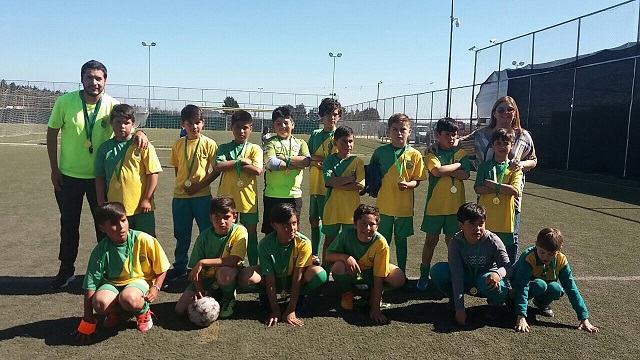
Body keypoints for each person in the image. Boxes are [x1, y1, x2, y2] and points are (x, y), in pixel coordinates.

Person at [47, 60, 148, 289]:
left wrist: (141, 132)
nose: (94, 82)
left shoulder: (112, 104)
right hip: (68, 177)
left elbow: (127, 122)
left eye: (98, 78)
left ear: (105, 81)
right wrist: (54, 168)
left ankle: (108, 270)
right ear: (81, 79)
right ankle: (66, 270)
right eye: (89, 77)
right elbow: (52, 133)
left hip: (101, 179)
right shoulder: (65, 101)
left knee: (105, 226)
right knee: (69, 224)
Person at [72, 202, 169, 342]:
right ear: (102, 228)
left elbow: (162, 268)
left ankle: (143, 311)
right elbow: (90, 285)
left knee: (129, 299)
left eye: (123, 220)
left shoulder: (143, 239)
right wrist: (87, 320)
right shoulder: (100, 250)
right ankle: (116, 313)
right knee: (99, 303)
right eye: (114, 224)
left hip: (139, 282)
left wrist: (156, 287)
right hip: (112, 284)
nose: (121, 227)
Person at [238, 203, 327, 327]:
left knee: (320, 274)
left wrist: (291, 309)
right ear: (275, 225)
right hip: (274, 279)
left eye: (294, 223)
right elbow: (268, 276)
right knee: (244, 277)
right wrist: (275, 310)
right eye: (286, 225)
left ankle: (299, 297)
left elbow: (298, 276)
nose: (292, 229)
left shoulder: (304, 243)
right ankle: (265, 296)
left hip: (293, 280)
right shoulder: (265, 245)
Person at [471, 96, 537, 262]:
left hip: (512, 198)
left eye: (510, 109)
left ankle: (508, 275)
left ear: (515, 113)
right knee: (484, 235)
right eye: (501, 109)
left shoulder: (524, 136)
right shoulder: (480, 135)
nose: (505, 113)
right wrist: (434, 146)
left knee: (511, 237)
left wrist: (520, 164)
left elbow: (534, 160)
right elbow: (456, 143)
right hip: (486, 197)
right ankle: (485, 273)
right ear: (494, 113)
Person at [430, 203, 512, 326]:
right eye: (472, 224)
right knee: (438, 271)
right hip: (466, 279)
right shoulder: (456, 242)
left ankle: (495, 306)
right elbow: (456, 275)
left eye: (481, 224)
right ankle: (453, 299)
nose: (477, 228)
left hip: (485, 279)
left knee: (497, 282)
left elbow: (508, 267)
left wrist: (498, 274)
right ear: (461, 225)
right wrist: (460, 309)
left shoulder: (494, 240)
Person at [369, 113, 426, 286]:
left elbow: (418, 179)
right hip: (384, 207)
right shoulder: (380, 152)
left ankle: (401, 275)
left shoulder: (415, 155)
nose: (399, 133)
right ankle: (379, 274)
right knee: (382, 241)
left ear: (410, 131)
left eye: (403, 130)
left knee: (401, 242)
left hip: (404, 208)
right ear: (388, 131)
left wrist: (409, 185)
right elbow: (372, 173)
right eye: (395, 130)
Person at [325, 204, 405, 324]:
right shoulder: (346, 235)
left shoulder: (381, 243)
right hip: (352, 272)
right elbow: (328, 256)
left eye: (372, 224)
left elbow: (378, 276)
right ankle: (347, 292)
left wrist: (375, 309)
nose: (367, 228)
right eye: (363, 223)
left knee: (398, 277)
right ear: (355, 224)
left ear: (377, 226)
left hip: (371, 274)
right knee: (338, 266)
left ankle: (375, 293)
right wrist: (346, 257)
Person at [166, 104, 219, 282]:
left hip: (202, 196)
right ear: (183, 124)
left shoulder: (209, 144)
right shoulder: (178, 144)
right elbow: (177, 169)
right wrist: (183, 186)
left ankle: (209, 267)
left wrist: (199, 186)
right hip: (181, 197)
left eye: (197, 122)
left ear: (203, 123)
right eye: (190, 123)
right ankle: (180, 267)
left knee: (207, 232)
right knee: (181, 234)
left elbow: (216, 170)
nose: (194, 127)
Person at [417, 118, 470, 291]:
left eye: (454, 134)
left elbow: (466, 175)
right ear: (438, 135)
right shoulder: (432, 153)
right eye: (447, 135)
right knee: (430, 241)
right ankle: (424, 275)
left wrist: (449, 169)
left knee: (453, 244)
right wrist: (456, 166)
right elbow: (437, 171)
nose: (451, 138)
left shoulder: (462, 153)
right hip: (435, 207)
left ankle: (456, 275)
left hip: (456, 209)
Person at [513, 228, 599, 333]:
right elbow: (522, 285)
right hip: (517, 285)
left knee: (556, 288)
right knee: (540, 285)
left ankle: (541, 304)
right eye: (542, 252)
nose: (545, 257)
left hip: (540, 284)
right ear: (536, 245)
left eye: (551, 254)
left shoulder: (561, 260)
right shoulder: (528, 257)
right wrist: (521, 316)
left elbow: (571, 288)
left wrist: (584, 318)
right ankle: (513, 301)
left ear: (559, 250)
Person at [94, 104, 162, 236]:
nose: (122, 126)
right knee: (121, 240)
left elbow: (153, 173)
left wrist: (147, 199)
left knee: (146, 240)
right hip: (116, 208)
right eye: (118, 122)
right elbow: (99, 176)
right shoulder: (104, 148)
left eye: (126, 123)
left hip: (141, 207)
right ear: (111, 123)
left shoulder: (142, 144)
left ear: (133, 124)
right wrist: (100, 200)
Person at [175, 196, 247, 319]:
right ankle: (215, 293)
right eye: (217, 217)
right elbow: (194, 269)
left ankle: (228, 298)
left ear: (234, 217)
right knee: (180, 310)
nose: (222, 222)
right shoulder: (204, 237)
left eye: (226, 217)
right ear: (210, 217)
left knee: (224, 273)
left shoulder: (240, 231)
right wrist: (200, 290)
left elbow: (234, 259)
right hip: (207, 279)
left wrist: (203, 262)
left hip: (229, 274)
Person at [213, 110, 263, 265]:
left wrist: (231, 162)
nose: (241, 131)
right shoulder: (223, 147)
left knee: (251, 235)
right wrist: (241, 162)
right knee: (226, 233)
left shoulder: (255, 148)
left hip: (248, 200)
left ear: (251, 129)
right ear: (231, 128)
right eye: (237, 127)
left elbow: (257, 170)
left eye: (245, 127)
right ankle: (225, 265)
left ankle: (254, 266)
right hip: (226, 199)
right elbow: (218, 166)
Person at [474, 128, 523, 262]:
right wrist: (502, 188)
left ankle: (505, 280)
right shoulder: (484, 167)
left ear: (511, 146)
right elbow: (478, 188)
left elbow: (514, 191)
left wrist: (491, 184)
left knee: (505, 254)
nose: (502, 147)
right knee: (485, 252)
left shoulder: (514, 168)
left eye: (506, 143)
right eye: (498, 143)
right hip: (487, 219)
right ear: (492, 145)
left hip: (505, 220)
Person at [261, 106, 311, 235]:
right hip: (273, 195)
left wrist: (284, 158)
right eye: (278, 123)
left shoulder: (300, 143)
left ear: (293, 124)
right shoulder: (270, 142)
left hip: (293, 196)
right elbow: (272, 163)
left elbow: (306, 161)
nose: (282, 126)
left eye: (286, 123)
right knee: (271, 234)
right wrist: (296, 163)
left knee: (292, 233)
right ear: (273, 126)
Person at [321, 125, 365, 268]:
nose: (348, 145)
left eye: (351, 141)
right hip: (332, 207)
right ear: (335, 143)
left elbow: (360, 185)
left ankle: (352, 275)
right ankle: (325, 273)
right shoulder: (329, 160)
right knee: (329, 241)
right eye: (344, 141)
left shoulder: (357, 161)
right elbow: (329, 181)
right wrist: (350, 178)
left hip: (351, 210)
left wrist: (337, 182)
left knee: (351, 243)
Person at [307, 98, 341, 264]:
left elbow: (340, 159)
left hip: (330, 188)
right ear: (321, 116)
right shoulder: (315, 135)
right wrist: (317, 160)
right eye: (328, 114)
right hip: (315, 186)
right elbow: (307, 156)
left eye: (335, 114)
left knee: (330, 224)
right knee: (314, 220)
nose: (331, 118)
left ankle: (331, 257)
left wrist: (323, 161)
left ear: (339, 116)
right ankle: (315, 254)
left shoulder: (340, 136)